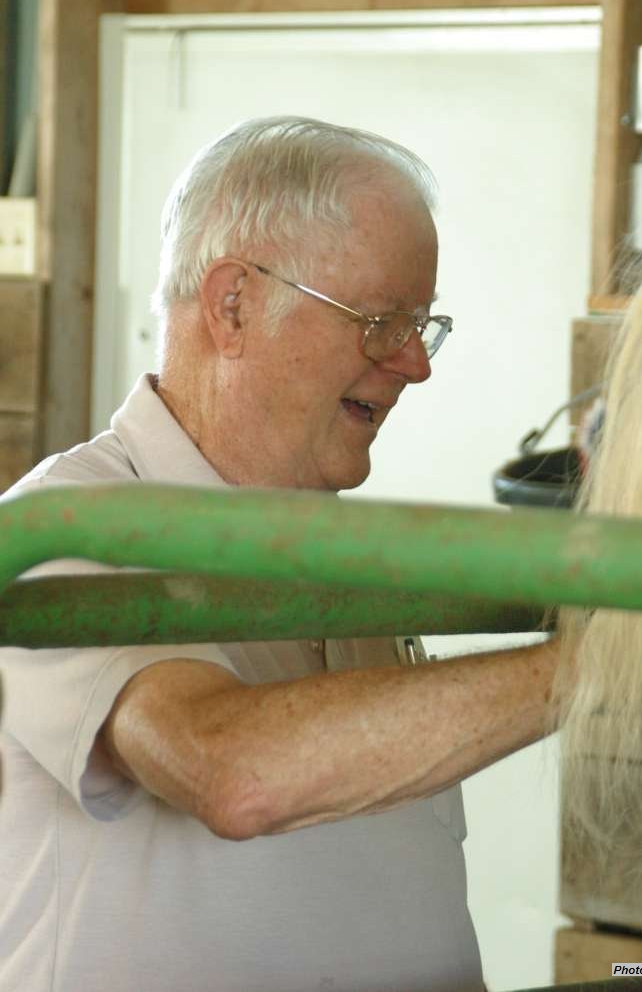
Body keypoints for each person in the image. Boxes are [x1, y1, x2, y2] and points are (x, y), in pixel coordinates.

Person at [0, 116, 558, 992]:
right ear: (232, 304)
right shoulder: (61, 529)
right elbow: (230, 772)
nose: (416, 364)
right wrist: (600, 664)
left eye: (423, 324)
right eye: (382, 321)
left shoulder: (354, 557)